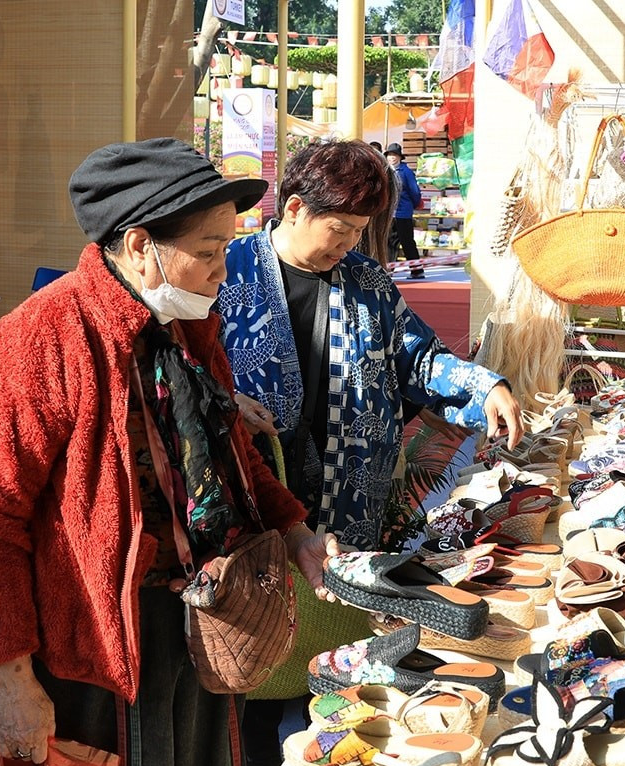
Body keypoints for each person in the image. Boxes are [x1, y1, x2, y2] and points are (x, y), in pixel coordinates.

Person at [0, 137, 338, 766]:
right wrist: (14, 682)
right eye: (210, 251)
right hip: (89, 646)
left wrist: (298, 529)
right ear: (139, 245)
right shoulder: (34, 342)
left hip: (191, 618)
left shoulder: (185, 326)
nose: (225, 269)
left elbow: (231, 450)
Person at [218, 138, 523, 553]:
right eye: (340, 230)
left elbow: (418, 356)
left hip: (350, 498)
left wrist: (485, 387)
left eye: (358, 232)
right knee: (262, 607)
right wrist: (229, 400)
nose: (348, 246)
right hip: (257, 485)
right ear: (294, 209)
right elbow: (186, 365)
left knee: (340, 607)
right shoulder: (226, 270)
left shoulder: (367, 280)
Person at [383, 141, 426, 277]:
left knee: (407, 242)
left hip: (403, 213)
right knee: (389, 242)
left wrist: (413, 205)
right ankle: (389, 270)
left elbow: (415, 191)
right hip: (389, 213)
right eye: (390, 155)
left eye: (395, 155)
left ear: (400, 157)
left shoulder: (406, 171)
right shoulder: (384, 170)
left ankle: (417, 270)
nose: (392, 158)